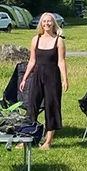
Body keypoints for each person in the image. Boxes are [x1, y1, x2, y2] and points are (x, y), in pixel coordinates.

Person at [20, 12, 69, 149]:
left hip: (52, 76)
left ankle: (48, 142)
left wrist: (65, 79)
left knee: (51, 106)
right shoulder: (35, 39)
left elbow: (61, 61)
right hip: (37, 76)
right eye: (44, 21)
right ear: (41, 24)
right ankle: (27, 138)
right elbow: (32, 61)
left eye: (49, 21)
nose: (46, 23)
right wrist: (24, 79)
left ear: (53, 23)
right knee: (32, 106)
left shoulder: (58, 40)